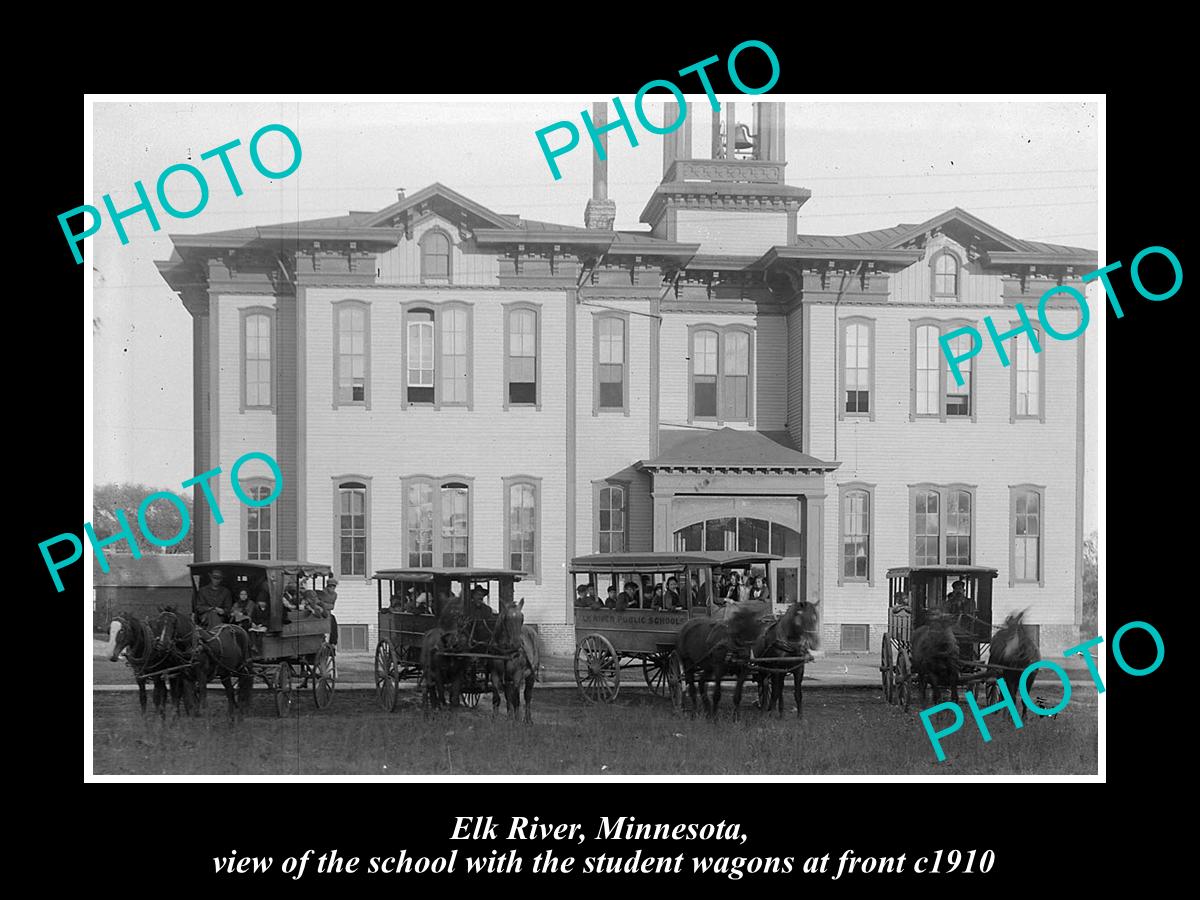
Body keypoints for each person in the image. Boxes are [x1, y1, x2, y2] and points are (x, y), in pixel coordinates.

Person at [319, 577, 339, 651]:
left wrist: (326, 605)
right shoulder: (322, 593)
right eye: (331, 586)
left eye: (334, 586)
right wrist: (326, 605)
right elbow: (320, 603)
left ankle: (333, 643)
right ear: (328, 586)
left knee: (333, 623)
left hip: (328, 612)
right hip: (321, 612)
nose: (332, 588)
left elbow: (332, 606)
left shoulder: (335, 595)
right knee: (331, 620)